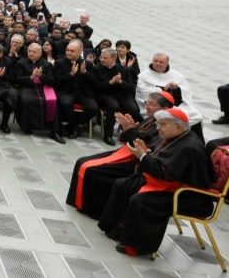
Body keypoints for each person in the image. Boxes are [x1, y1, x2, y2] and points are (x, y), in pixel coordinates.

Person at [98, 108, 214, 257]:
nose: (157, 128)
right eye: (158, 124)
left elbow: (165, 172)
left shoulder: (190, 147)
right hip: (172, 186)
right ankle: (114, 228)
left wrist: (143, 156)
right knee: (124, 184)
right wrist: (145, 154)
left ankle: (136, 247)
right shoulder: (178, 137)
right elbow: (165, 168)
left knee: (142, 201)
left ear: (178, 126)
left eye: (162, 124)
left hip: (190, 197)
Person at [67, 91, 175, 219]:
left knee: (92, 170)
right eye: (147, 103)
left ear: (165, 109)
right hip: (125, 152)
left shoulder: (165, 127)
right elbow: (135, 137)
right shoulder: (151, 119)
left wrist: (129, 129)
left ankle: (91, 209)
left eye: (152, 104)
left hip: (135, 162)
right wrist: (128, 129)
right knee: (82, 161)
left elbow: (145, 145)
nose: (147, 106)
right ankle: (77, 201)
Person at [135, 52, 203, 140]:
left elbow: (186, 90)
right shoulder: (144, 76)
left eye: (161, 62)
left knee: (195, 115)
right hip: (156, 105)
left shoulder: (176, 75)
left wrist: (177, 88)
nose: (158, 63)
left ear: (167, 63)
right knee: (174, 117)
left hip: (175, 104)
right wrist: (163, 88)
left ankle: (197, 140)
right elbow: (144, 92)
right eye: (156, 61)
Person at [14, 42, 65, 144]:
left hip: (44, 87)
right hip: (27, 87)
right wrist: (31, 77)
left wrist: (41, 77)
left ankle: (54, 131)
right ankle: (28, 126)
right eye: (29, 51)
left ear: (40, 53)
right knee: (26, 100)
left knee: (53, 101)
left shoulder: (46, 64)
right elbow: (17, 79)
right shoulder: (21, 63)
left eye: (34, 51)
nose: (31, 53)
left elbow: (52, 80)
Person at [91, 48, 142, 145]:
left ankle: (132, 134)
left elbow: (131, 87)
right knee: (114, 107)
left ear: (113, 58)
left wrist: (120, 82)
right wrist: (110, 82)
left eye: (105, 58)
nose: (101, 59)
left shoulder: (124, 70)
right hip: (104, 95)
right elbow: (95, 87)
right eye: (101, 57)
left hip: (121, 95)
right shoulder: (96, 69)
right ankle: (108, 135)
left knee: (133, 108)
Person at [55, 41, 100, 139]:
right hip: (66, 91)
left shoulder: (87, 64)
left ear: (80, 52)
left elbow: (94, 82)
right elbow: (57, 81)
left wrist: (85, 73)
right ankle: (73, 127)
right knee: (66, 104)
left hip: (83, 92)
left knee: (93, 107)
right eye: (67, 50)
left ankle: (78, 125)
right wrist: (70, 74)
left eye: (72, 51)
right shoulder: (59, 62)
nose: (68, 53)